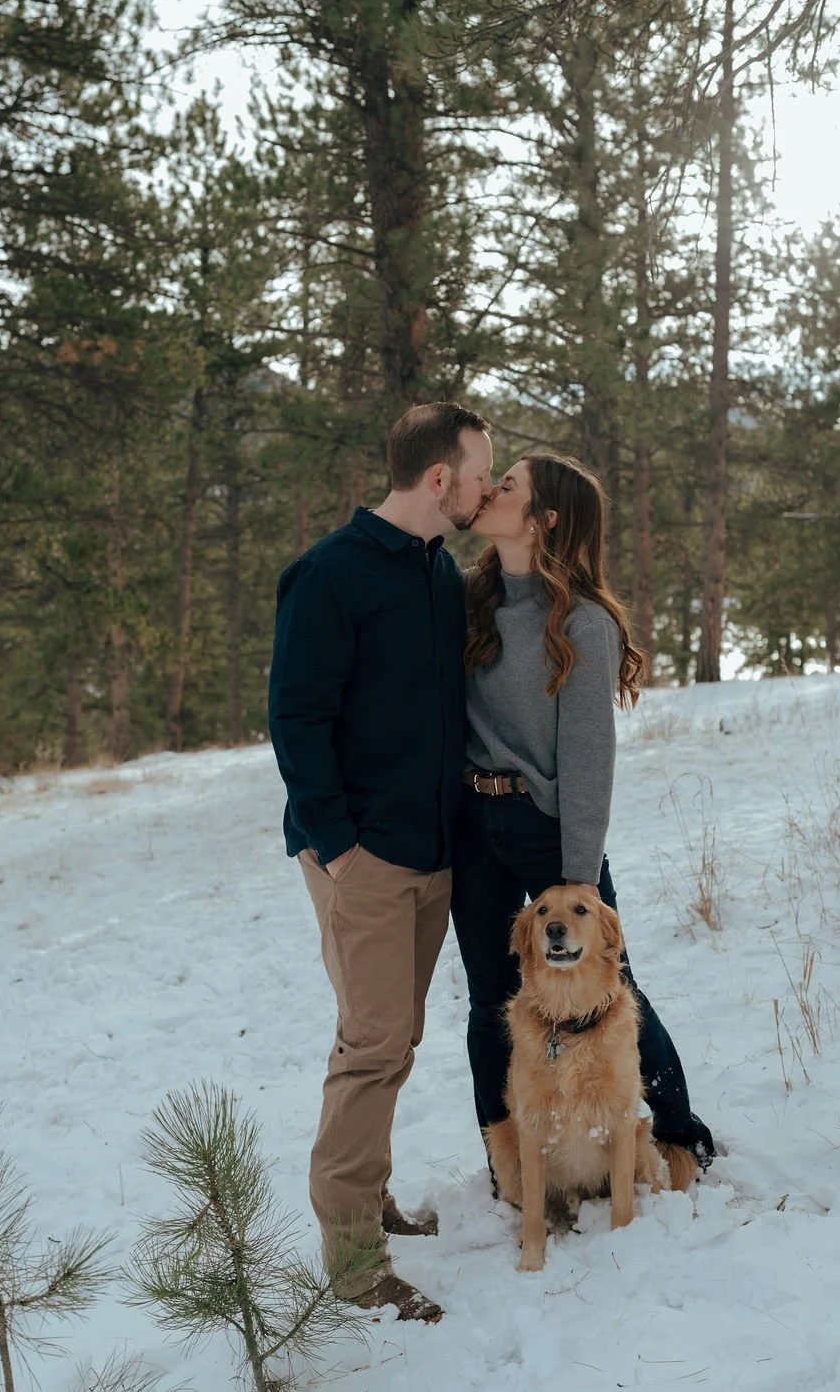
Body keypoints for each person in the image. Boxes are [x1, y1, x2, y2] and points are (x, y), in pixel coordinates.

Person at [268, 401, 494, 1324]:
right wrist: (341, 845)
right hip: (363, 856)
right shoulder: (329, 574)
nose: (489, 484)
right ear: (438, 478)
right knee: (372, 1044)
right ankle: (354, 1259)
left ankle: (368, 1201)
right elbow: (296, 718)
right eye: (483, 469)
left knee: (392, 1035)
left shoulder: (439, 574)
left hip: (432, 852)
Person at [450, 452, 715, 1194]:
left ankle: (675, 1132)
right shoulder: (474, 600)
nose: (493, 489)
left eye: (511, 487)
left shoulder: (583, 623)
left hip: (546, 830)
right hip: (475, 824)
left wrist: (578, 874)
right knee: (489, 998)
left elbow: (589, 759)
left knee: (607, 982)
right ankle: (512, 1167)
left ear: (546, 518)